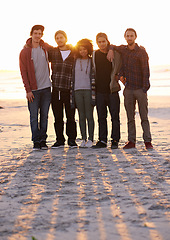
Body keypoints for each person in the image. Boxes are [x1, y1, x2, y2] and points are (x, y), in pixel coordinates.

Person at [109, 28, 153, 149]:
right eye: (127, 36)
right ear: (125, 37)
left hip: (140, 89)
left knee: (144, 117)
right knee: (130, 117)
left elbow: (146, 70)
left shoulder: (141, 52)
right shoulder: (124, 50)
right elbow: (112, 45)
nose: (129, 38)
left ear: (135, 37)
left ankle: (147, 142)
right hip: (128, 89)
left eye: (131, 36)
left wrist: (145, 88)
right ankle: (131, 141)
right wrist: (111, 50)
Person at [19, 25, 51, 150]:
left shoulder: (45, 48)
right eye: (36, 33)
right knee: (34, 117)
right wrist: (28, 90)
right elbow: (24, 72)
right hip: (34, 90)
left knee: (44, 116)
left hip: (47, 88)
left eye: (40, 33)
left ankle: (43, 140)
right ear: (31, 34)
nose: (38, 35)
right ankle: (36, 141)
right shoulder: (25, 52)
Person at [47, 30, 77, 148]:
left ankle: (71, 139)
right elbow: (42, 46)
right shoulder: (53, 52)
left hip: (69, 90)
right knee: (58, 117)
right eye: (57, 38)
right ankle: (59, 139)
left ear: (66, 38)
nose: (59, 40)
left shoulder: (74, 52)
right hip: (56, 89)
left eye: (61, 37)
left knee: (71, 117)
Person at [92, 33, 122, 149]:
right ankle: (102, 140)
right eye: (99, 42)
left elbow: (121, 64)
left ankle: (115, 140)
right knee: (101, 117)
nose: (101, 44)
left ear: (107, 41)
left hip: (112, 91)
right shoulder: (95, 54)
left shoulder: (114, 53)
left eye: (103, 41)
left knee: (115, 116)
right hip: (99, 91)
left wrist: (111, 48)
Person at [71, 39, 96, 148]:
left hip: (89, 90)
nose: (82, 51)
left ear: (88, 49)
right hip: (77, 90)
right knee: (81, 115)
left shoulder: (92, 61)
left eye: (84, 49)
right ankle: (83, 138)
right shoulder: (74, 61)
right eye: (80, 49)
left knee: (89, 115)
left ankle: (91, 139)